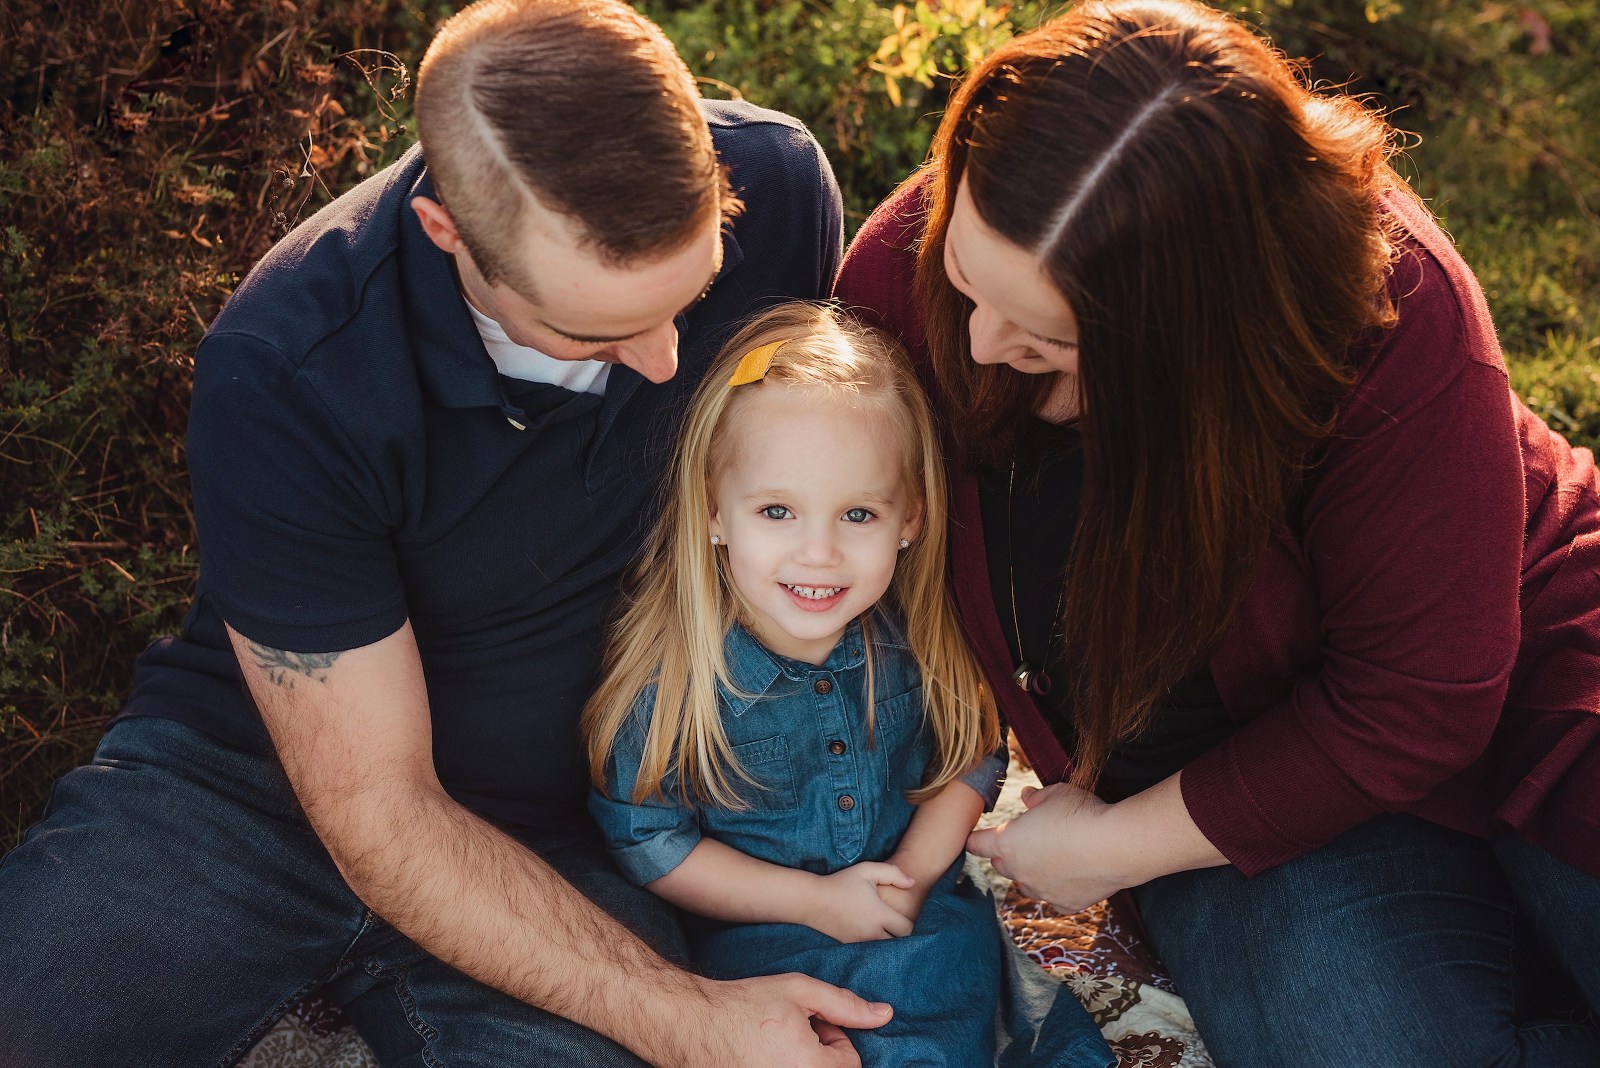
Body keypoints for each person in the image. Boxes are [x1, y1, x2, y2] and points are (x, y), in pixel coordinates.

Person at [0, 1, 888, 1064]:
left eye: (688, 300)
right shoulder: (290, 365)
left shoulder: (779, 191)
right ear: (447, 232)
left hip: (566, 824)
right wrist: (692, 1021)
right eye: (596, 330)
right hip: (245, 794)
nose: (665, 361)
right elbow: (378, 807)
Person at [834, 0, 1600, 1064]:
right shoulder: (894, 275)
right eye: (967, 280)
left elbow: (1419, 698)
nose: (981, 343)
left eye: (1050, 337)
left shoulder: (1388, 302)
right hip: (1222, 791)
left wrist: (1105, 849)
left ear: (1199, 331)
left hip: (1533, 678)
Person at [583, 301, 1113, 1068]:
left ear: (910, 519)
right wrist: (816, 903)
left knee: (1001, 1015)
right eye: (777, 510)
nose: (819, 553)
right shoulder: (676, 680)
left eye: (857, 514)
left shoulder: (919, 638)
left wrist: (910, 880)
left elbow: (970, 754)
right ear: (713, 512)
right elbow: (649, 841)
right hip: (759, 937)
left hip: (918, 919)